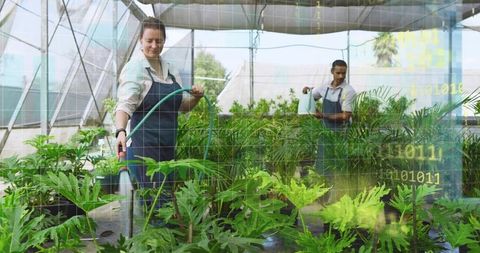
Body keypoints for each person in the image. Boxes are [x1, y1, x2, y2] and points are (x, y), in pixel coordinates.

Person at [114, 17, 204, 205]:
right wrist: (121, 131)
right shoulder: (135, 69)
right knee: (153, 204)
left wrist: (196, 97)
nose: (154, 45)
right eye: (149, 40)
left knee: (166, 203)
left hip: (167, 150)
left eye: (159, 41)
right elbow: (124, 105)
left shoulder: (171, 70)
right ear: (141, 41)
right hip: (143, 150)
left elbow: (181, 106)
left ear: (164, 41)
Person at [302, 59, 356, 174]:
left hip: (341, 134)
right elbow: (313, 96)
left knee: (339, 165)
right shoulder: (325, 87)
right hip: (325, 132)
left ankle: (338, 189)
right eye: (338, 73)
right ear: (332, 71)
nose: (341, 76)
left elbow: (346, 116)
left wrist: (323, 116)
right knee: (323, 163)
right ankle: (322, 189)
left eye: (343, 73)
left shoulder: (348, 91)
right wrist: (306, 92)